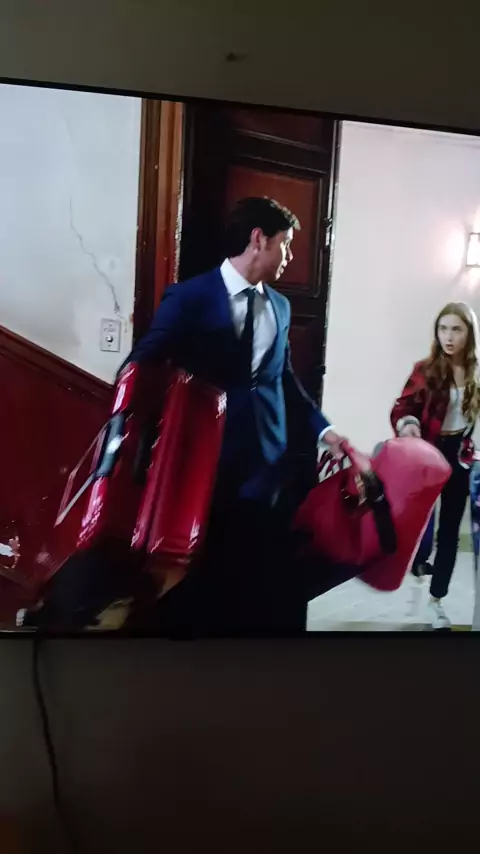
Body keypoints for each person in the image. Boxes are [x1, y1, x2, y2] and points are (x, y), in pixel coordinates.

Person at [123, 196, 349, 632]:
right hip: (203, 466)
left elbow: (284, 381)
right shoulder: (190, 297)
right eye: (285, 245)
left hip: (269, 464)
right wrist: (136, 433)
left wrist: (326, 432)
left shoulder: (280, 307)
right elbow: (143, 363)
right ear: (258, 239)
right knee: (202, 581)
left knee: (258, 578)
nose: (289, 257)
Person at [391, 302, 480, 630]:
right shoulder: (425, 369)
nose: (449, 337)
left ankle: (436, 599)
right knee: (416, 523)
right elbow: (402, 408)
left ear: (469, 333)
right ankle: (412, 569)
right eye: (443, 329)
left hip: (461, 455)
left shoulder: (475, 372)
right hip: (428, 451)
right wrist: (408, 425)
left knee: (450, 533)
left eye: (456, 329)